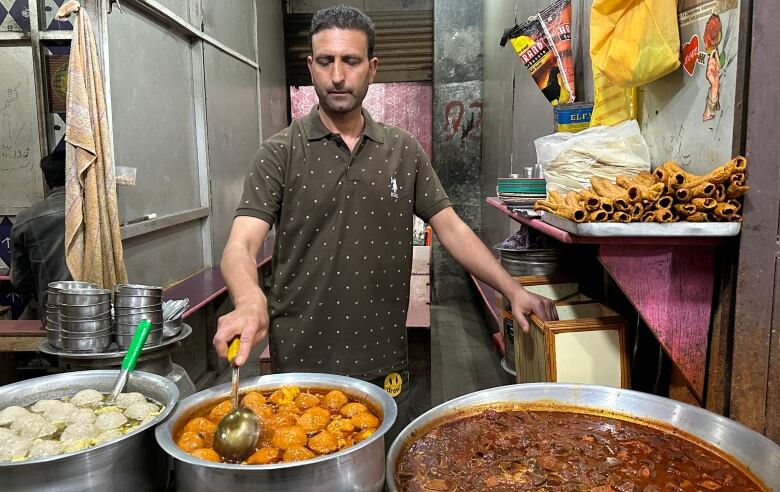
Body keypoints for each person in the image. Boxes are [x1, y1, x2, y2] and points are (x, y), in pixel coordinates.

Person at [213, 5, 557, 437]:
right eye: (325, 61)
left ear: (372, 68)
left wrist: (511, 289)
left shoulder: (403, 150)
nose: (338, 75)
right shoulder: (280, 153)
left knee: (377, 467)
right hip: (301, 360)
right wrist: (249, 301)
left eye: (351, 61)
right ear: (311, 66)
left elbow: (451, 228)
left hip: (382, 359)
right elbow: (240, 246)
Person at [10, 150, 72, 321]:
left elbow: (19, 281)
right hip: (99, 313)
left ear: (46, 180)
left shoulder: (25, 220)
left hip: (53, 316)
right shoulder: (98, 214)